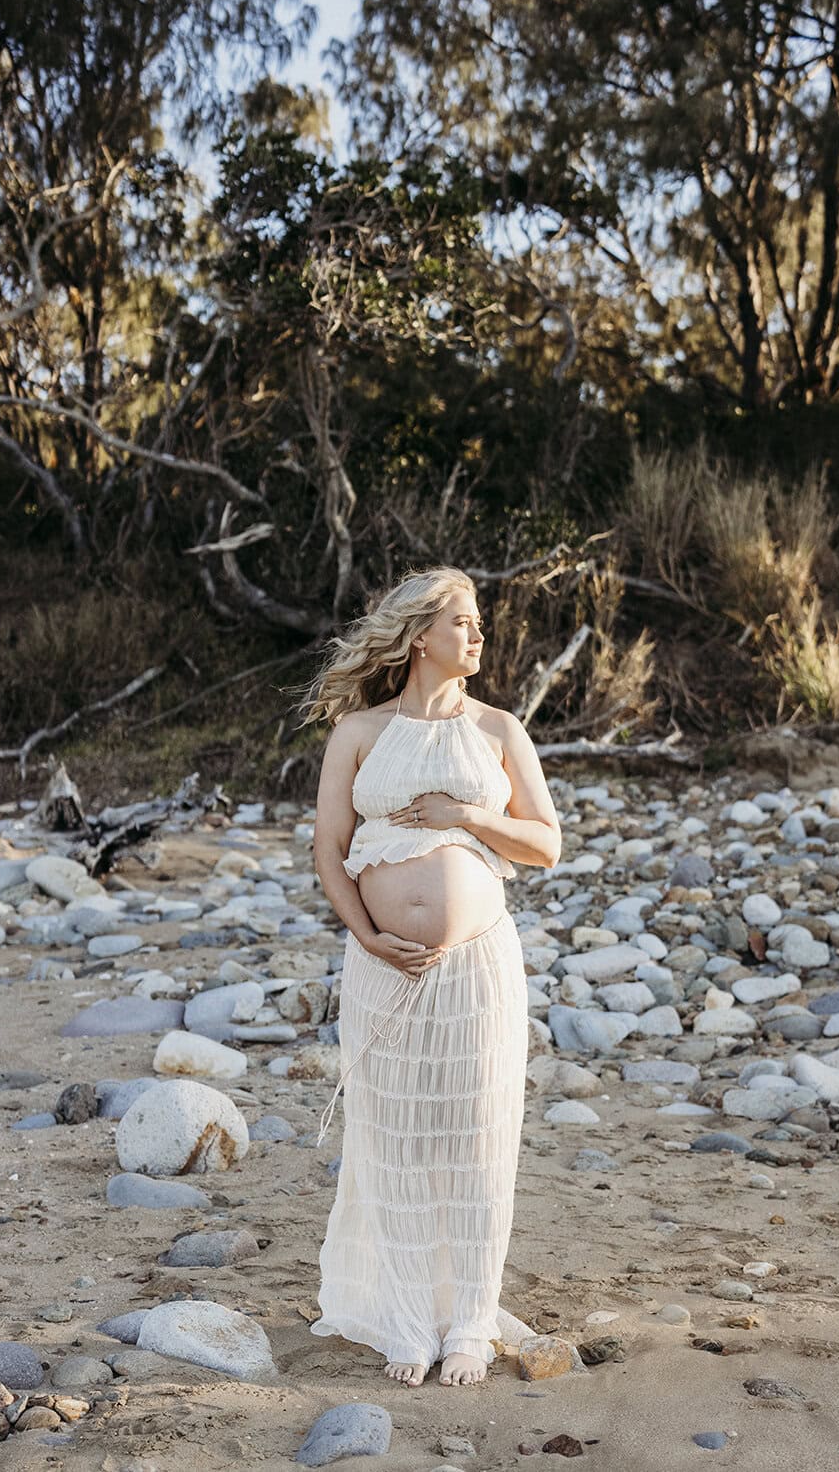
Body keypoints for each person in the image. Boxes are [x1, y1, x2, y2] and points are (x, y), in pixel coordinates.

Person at [298, 565, 561, 1389]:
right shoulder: (359, 731)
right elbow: (327, 852)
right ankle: (409, 1323)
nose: (478, 635)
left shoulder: (498, 729)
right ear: (420, 638)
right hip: (383, 969)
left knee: (477, 1139)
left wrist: (469, 817)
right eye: (463, 622)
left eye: (479, 622)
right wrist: (369, 935)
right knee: (395, 1140)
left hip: (479, 968)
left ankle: (470, 1328)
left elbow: (546, 844)